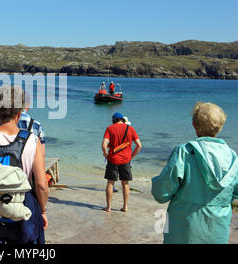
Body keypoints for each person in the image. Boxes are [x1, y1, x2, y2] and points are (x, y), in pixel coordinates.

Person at [0, 85, 49, 244]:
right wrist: (43, 210)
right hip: (23, 215)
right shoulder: (33, 141)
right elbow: (41, 185)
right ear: (20, 112)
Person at [151, 102, 238, 244]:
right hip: (217, 231)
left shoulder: (184, 152)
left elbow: (161, 193)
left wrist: (156, 183)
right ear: (220, 127)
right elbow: (235, 191)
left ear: (194, 124)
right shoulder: (233, 157)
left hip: (182, 231)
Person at [101, 112, 142, 212]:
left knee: (110, 183)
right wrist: (131, 156)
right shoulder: (131, 129)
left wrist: (106, 154)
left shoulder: (110, 128)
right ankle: (125, 207)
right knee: (125, 184)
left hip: (113, 160)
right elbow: (139, 146)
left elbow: (103, 145)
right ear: (123, 120)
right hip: (126, 160)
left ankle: (108, 207)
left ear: (114, 120)